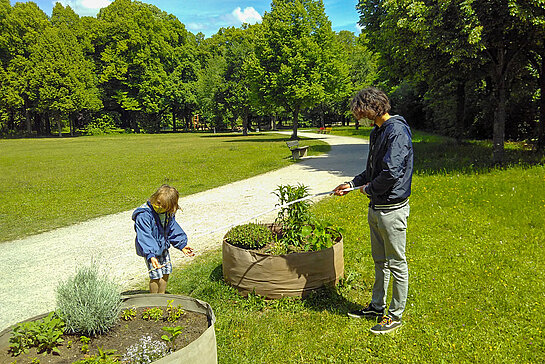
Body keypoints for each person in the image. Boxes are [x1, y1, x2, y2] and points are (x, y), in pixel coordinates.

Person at [334, 87, 413, 334]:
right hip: (376, 207)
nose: (360, 116)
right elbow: (373, 170)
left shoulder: (397, 131)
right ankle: (377, 306)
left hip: (392, 208)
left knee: (396, 263)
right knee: (380, 262)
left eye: (361, 111)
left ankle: (395, 315)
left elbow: (390, 173)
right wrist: (352, 184)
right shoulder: (377, 132)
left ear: (374, 108)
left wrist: (368, 189)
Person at [132, 184, 194, 293]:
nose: (159, 206)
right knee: (155, 275)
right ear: (154, 197)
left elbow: (173, 228)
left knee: (166, 272)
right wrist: (151, 254)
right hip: (151, 250)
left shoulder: (167, 214)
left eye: (164, 206)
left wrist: (182, 245)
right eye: (158, 203)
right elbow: (145, 235)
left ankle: (162, 296)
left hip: (163, 247)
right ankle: (154, 300)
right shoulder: (143, 215)